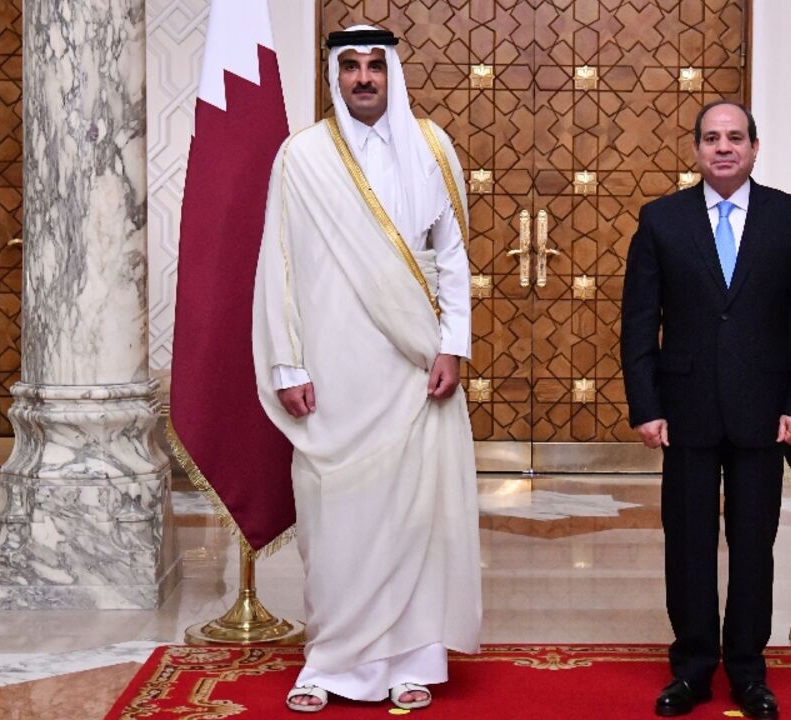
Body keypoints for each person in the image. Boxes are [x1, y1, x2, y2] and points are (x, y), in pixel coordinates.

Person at [251, 24, 480, 714]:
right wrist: (287, 363)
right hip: (332, 367)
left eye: (374, 65)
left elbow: (454, 259)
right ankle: (330, 662)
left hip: (414, 367)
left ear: (393, 72)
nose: (363, 78)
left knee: (416, 517)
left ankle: (413, 660)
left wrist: (454, 345)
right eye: (349, 66)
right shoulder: (302, 157)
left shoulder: (433, 148)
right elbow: (278, 267)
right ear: (333, 74)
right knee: (336, 517)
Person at [621, 101, 791, 719]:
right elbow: (639, 323)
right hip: (683, 411)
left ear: (754, 148)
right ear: (695, 150)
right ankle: (690, 669)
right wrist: (645, 405)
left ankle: (747, 669)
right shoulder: (661, 221)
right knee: (687, 543)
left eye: (734, 138)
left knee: (752, 543)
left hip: (765, 413)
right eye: (711, 138)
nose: (723, 148)